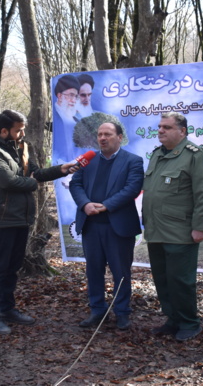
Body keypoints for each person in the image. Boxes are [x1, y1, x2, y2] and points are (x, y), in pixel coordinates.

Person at [0, 109, 77, 334]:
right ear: (4, 131)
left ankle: (7, 309)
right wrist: (30, 182)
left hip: (20, 219)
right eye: (18, 130)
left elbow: (35, 173)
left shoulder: (19, 149)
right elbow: (8, 182)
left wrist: (61, 170)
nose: (23, 133)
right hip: (1, 219)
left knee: (12, 268)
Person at [141, 111, 203, 342]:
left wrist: (201, 227)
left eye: (167, 127)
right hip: (156, 229)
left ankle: (189, 322)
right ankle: (172, 319)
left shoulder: (196, 155)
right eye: (159, 127)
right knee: (162, 278)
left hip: (180, 231)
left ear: (182, 131)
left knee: (181, 280)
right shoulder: (157, 155)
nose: (160, 131)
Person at [69, 121, 143, 330]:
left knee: (121, 272)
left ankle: (122, 312)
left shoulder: (133, 161)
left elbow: (132, 188)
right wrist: (85, 204)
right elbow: (76, 184)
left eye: (108, 134)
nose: (102, 138)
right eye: (100, 134)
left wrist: (105, 206)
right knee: (93, 271)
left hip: (118, 226)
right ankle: (97, 310)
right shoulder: (87, 160)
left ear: (119, 137)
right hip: (91, 225)